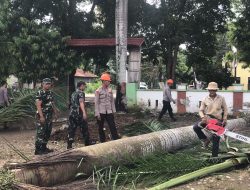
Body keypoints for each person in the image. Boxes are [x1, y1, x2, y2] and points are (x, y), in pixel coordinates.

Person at [193, 82, 228, 157]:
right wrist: (203, 117)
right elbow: (201, 110)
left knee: (215, 137)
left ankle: (214, 156)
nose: (212, 91)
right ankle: (205, 140)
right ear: (208, 90)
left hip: (218, 121)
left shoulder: (221, 98)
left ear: (216, 90)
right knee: (196, 127)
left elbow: (225, 109)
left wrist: (224, 119)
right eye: (210, 90)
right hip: (208, 119)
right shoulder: (205, 99)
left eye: (213, 90)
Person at [35, 78, 58, 155]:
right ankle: (38, 150)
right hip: (42, 115)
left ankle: (44, 147)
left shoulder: (50, 93)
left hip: (49, 116)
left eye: (49, 84)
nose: (48, 85)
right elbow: (38, 105)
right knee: (41, 132)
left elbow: (52, 102)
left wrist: (55, 112)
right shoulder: (40, 93)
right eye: (46, 84)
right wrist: (41, 116)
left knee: (48, 132)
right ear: (43, 84)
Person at [95, 73, 120, 143]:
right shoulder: (98, 91)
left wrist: (114, 111)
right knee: (100, 128)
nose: (109, 82)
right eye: (108, 81)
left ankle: (116, 140)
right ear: (103, 81)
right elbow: (96, 103)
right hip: (101, 112)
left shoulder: (110, 90)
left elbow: (112, 102)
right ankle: (102, 141)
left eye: (109, 81)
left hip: (109, 111)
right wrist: (97, 114)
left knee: (112, 126)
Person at [67, 81, 90, 149]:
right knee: (84, 129)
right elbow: (81, 102)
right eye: (84, 86)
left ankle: (69, 145)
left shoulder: (73, 93)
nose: (85, 87)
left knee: (71, 129)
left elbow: (71, 103)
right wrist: (84, 113)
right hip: (79, 113)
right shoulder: (81, 93)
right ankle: (87, 144)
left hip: (72, 113)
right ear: (81, 86)